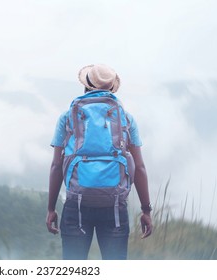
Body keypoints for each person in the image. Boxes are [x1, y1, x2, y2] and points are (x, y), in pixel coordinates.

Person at [46, 64, 153, 260]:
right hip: (115, 206)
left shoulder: (67, 117)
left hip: (75, 204)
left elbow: (56, 166)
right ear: (112, 88)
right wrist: (146, 210)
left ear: (86, 86)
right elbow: (139, 168)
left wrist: (51, 208)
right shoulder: (126, 119)